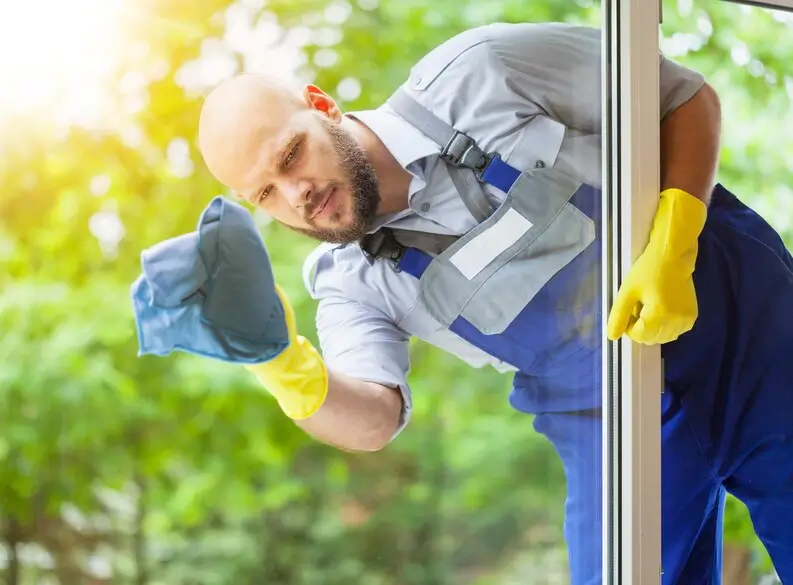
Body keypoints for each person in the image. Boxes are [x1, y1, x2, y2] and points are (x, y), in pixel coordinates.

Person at [195, 22, 793, 585]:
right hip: (607, 426)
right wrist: (275, 360)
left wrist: (674, 244)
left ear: (323, 106)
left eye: (291, 154)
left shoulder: (478, 74)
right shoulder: (349, 281)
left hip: (748, 339)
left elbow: (686, 100)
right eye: (265, 192)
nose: (296, 195)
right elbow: (373, 420)